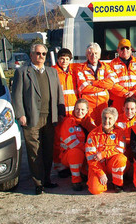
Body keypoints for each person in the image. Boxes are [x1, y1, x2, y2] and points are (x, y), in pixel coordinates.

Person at [11, 43, 65, 194]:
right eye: (38, 53)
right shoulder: (22, 72)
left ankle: (47, 179)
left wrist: (60, 112)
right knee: (35, 151)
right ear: (31, 55)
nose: (40, 56)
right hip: (31, 118)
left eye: (43, 54)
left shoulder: (52, 72)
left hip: (50, 117)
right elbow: (16, 95)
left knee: (48, 150)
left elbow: (58, 94)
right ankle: (38, 183)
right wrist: (20, 114)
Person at [84, 107, 127, 195]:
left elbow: (120, 149)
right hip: (98, 166)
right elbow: (90, 157)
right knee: (95, 190)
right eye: (104, 118)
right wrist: (100, 173)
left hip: (113, 164)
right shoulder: (93, 134)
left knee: (121, 159)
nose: (106, 121)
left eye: (110, 118)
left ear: (115, 120)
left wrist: (104, 154)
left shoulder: (120, 132)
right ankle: (104, 182)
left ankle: (117, 184)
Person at [52, 48, 81, 176]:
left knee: (73, 139)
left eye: (67, 59)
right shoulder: (53, 72)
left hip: (72, 114)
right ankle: (60, 166)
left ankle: (71, 163)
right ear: (58, 59)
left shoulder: (73, 72)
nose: (64, 61)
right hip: (60, 113)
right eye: (62, 59)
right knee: (59, 140)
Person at [76, 42, 116, 125]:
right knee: (90, 127)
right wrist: (103, 87)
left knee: (103, 127)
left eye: (95, 53)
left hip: (103, 104)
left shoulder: (106, 67)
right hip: (88, 106)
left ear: (99, 55)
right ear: (87, 55)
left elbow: (111, 83)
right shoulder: (81, 68)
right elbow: (83, 88)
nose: (93, 56)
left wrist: (93, 83)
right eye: (90, 53)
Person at [109, 38, 136, 113]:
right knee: (119, 123)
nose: (125, 50)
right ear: (118, 50)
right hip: (119, 101)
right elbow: (111, 84)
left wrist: (133, 92)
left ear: (131, 49)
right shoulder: (112, 64)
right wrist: (125, 93)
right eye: (122, 48)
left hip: (135, 99)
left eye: (127, 48)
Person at [58, 98, 89, 190]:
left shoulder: (88, 122)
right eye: (77, 109)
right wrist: (87, 150)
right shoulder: (69, 122)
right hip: (69, 155)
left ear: (87, 110)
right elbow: (72, 143)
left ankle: (84, 173)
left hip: (85, 154)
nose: (80, 112)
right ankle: (76, 180)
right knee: (76, 152)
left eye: (82, 109)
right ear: (74, 110)